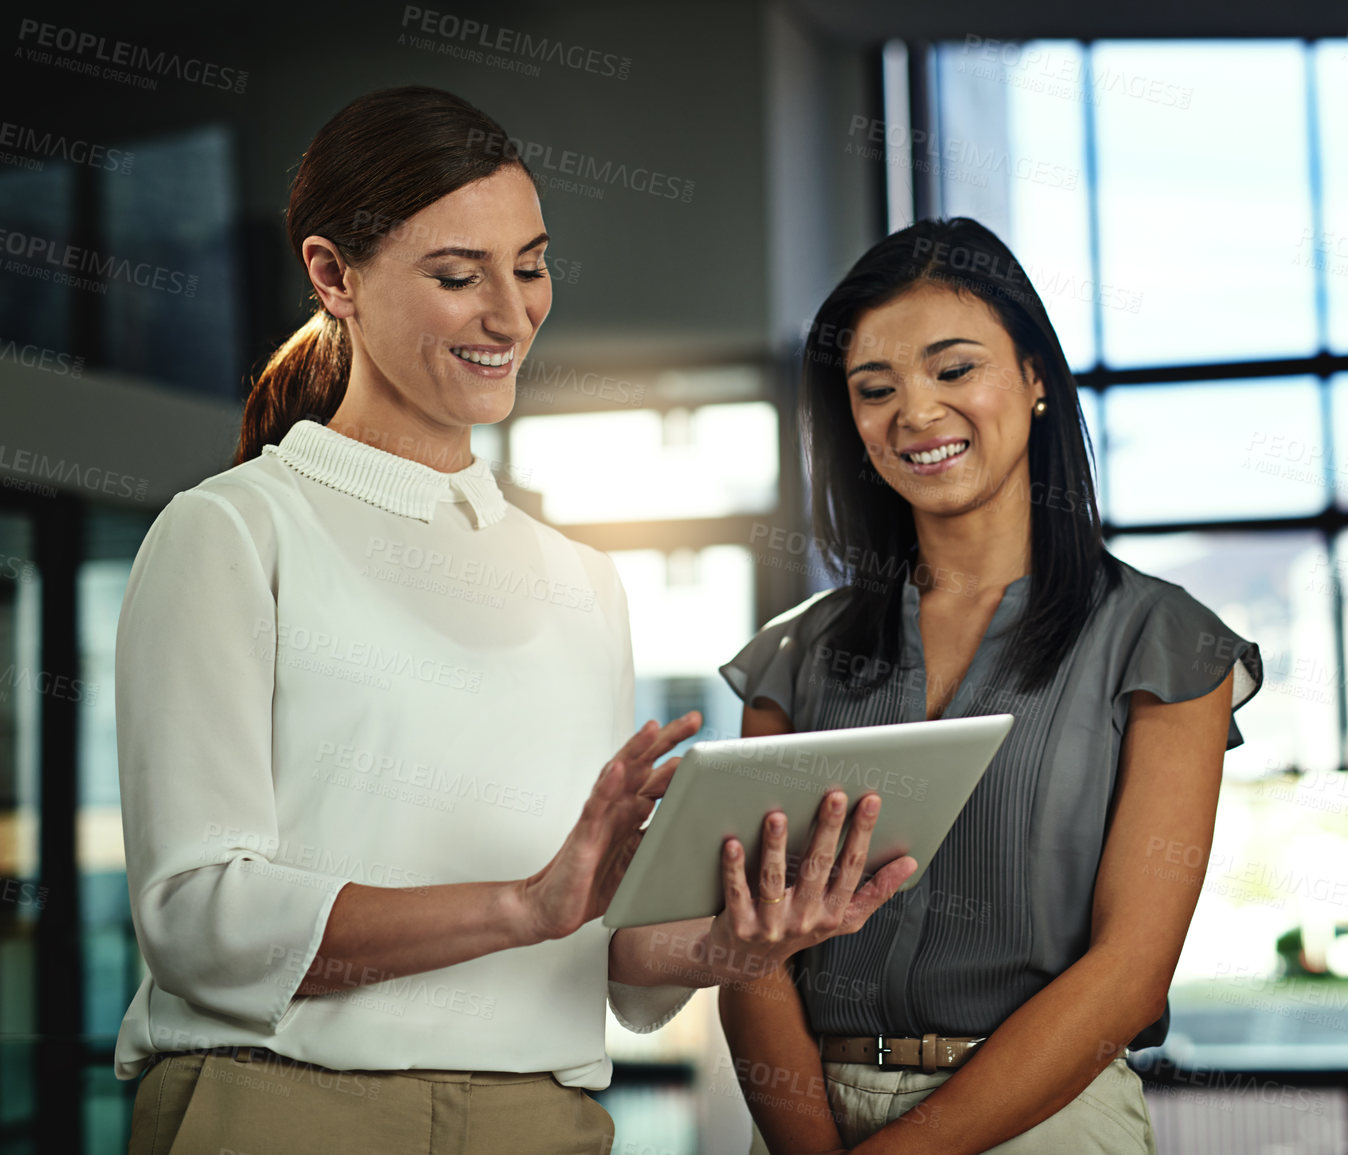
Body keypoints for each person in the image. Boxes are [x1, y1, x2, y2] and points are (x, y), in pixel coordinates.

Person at [115, 86, 915, 1155]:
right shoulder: (233, 534)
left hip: (543, 1119)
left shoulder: (583, 583)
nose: (510, 315)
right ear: (332, 276)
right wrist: (520, 908)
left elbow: (595, 943)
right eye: (458, 276)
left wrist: (739, 942)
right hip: (284, 1109)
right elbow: (195, 919)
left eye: (530, 268)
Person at [716, 217, 1264, 1153]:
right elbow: (749, 943)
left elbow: (1128, 971)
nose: (916, 413)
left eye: (954, 369)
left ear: (1035, 378)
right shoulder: (792, 656)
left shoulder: (1161, 641)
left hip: (1044, 1115)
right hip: (807, 1120)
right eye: (874, 389)